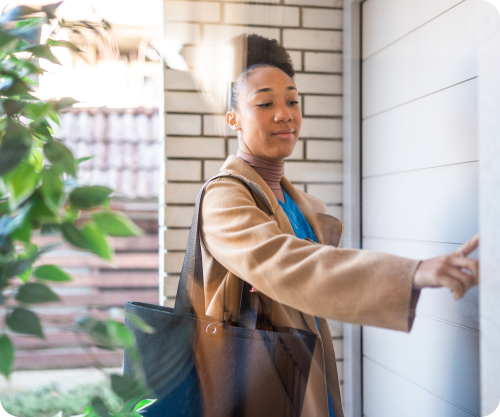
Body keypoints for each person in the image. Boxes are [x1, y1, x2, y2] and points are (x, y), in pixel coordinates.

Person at [198, 34, 479, 417]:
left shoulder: (296, 203)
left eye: (293, 101)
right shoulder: (224, 197)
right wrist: (411, 273)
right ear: (233, 119)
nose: (285, 114)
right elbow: (288, 263)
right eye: (265, 103)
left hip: (303, 374)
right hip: (259, 386)